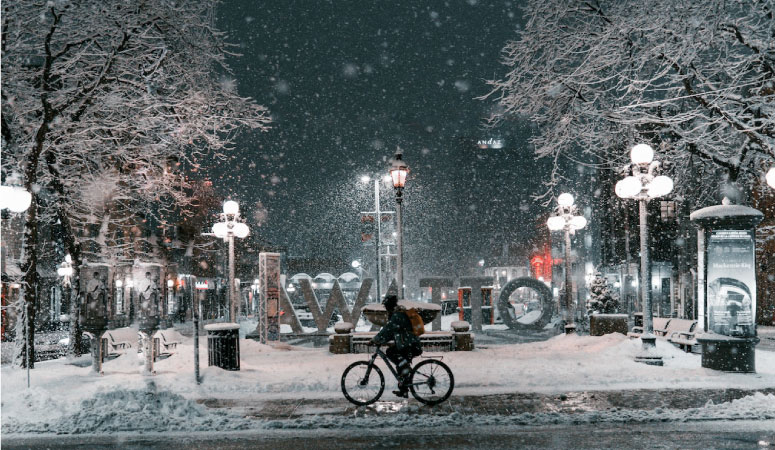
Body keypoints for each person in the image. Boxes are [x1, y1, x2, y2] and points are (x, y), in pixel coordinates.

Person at [370, 294, 423, 398]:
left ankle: (405, 367)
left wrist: (375, 340)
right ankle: (404, 389)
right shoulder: (397, 313)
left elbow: (388, 330)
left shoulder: (397, 315)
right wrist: (382, 339)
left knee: (391, 353)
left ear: (389, 305)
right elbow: (392, 332)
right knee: (399, 364)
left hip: (410, 345)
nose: (385, 308)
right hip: (408, 344)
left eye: (386, 306)